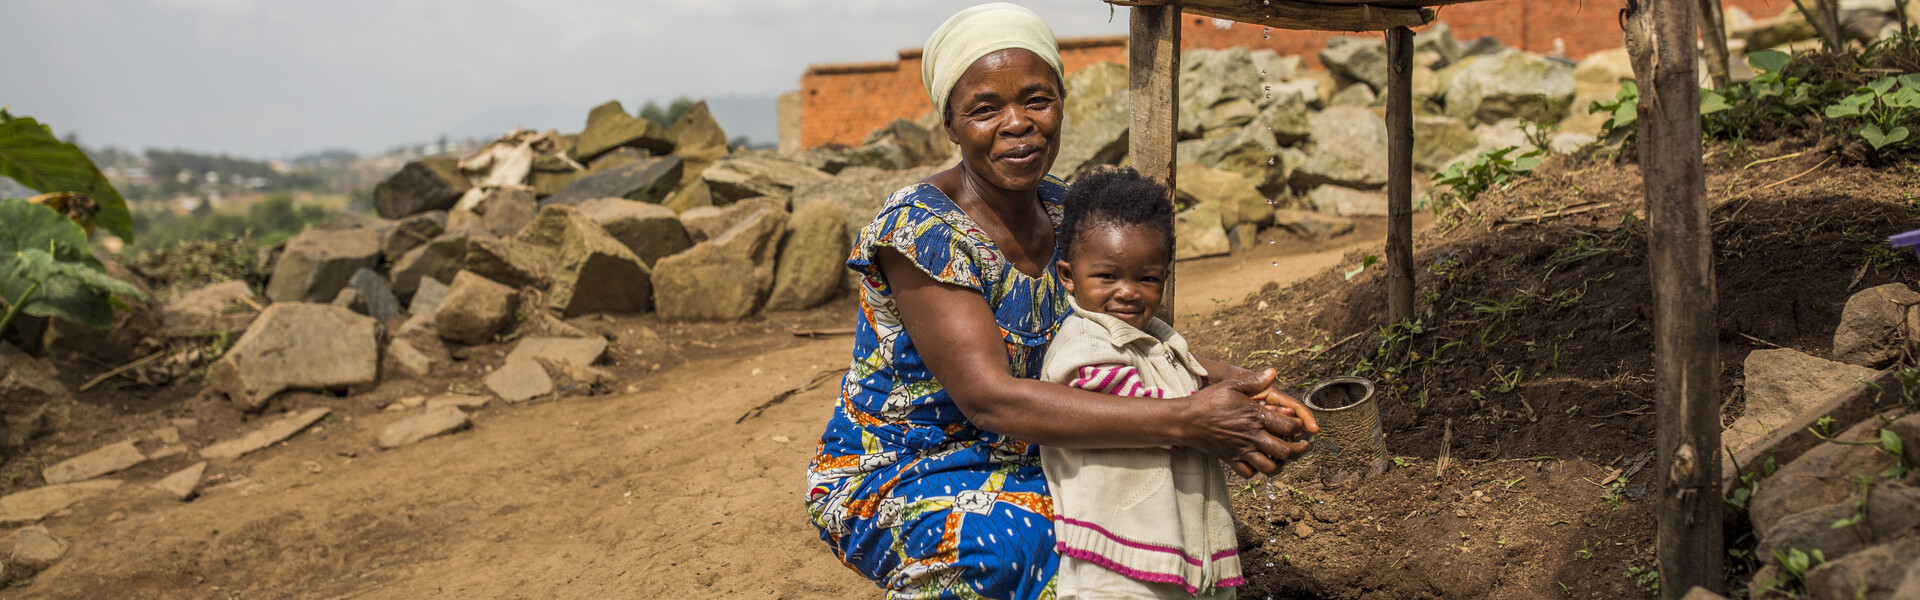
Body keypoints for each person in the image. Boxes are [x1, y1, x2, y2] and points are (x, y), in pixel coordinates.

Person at [805, 4, 1318, 599]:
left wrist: (1229, 387)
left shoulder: (1067, 210)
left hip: (1038, 450)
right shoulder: (922, 230)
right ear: (949, 125)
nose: (1017, 124)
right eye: (985, 109)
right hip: (906, 470)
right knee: (1020, 550)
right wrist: (1188, 419)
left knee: (1148, 521)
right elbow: (990, 400)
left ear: (1062, 103)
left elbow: (1115, 341)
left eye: (1037, 100)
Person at [1042, 168, 1263, 599]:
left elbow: (1188, 383)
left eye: (1147, 278)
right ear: (1068, 276)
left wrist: (1250, 404)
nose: (1128, 292)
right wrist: (1220, 415)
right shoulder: (1084, 344)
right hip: (1116, 560)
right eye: (1107, 277)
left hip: (1170, 547)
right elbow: (1136, 404)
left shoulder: (1156, 339)